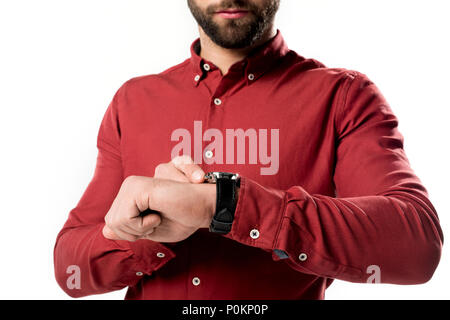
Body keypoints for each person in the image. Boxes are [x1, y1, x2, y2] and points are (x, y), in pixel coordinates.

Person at [54, 0, 443, 299]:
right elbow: (69, 267)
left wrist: (222, 204)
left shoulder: (344, 96)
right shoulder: (132, 101)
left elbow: (416, 244)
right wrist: (145, 234)